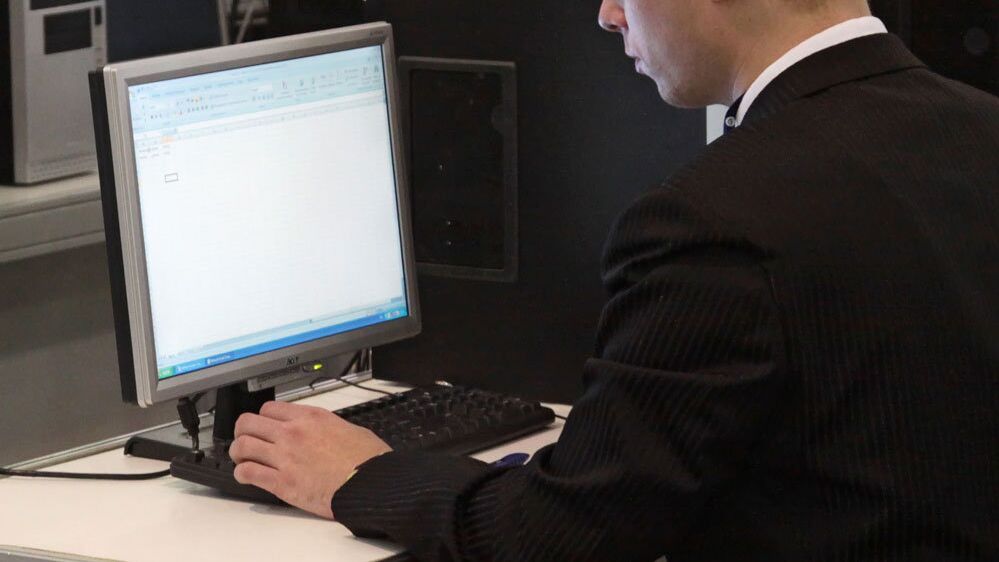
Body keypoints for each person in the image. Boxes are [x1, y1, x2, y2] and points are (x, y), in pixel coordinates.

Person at [228, 0, 999, 560]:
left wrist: (362, 475)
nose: (605, 15)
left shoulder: (713, 216)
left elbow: (559, 538)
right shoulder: (978, 127)